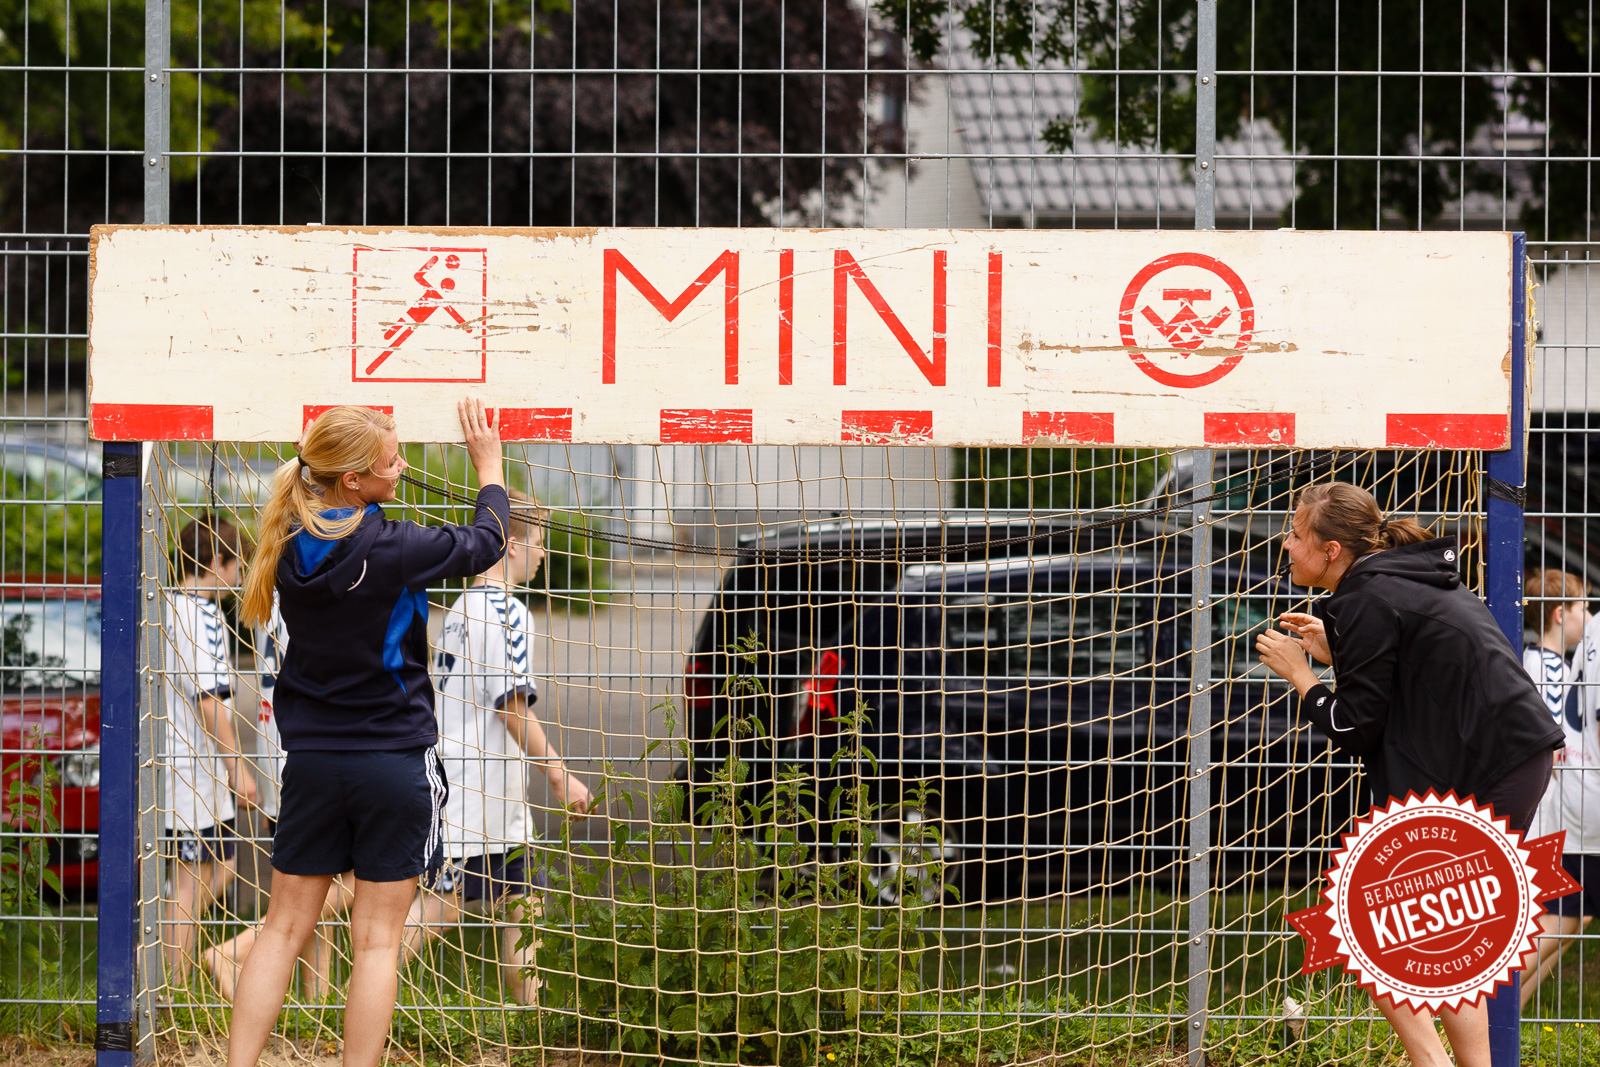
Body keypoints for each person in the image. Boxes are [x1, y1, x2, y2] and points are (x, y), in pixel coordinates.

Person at [224, 400, 509, 1067]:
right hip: (392, 761)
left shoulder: (286, 541)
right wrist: (489, 466)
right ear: (353, 479)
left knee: (281, 929)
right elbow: (488, 542)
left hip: (313, 764)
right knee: (377, 941)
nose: (402, 465)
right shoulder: (395, 546)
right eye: (391, 459)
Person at [1255, 482, 1564, 1067]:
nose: (1286, 545)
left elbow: (1355, 727)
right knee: (1426, 930)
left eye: (1295, 534)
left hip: (1493, 764)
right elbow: (1412, 666)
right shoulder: (1389, 581)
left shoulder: (1368, 597)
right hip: (1503, 758)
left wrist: (1302, 676)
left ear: (1331, 550)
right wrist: (1339, 650)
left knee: (1370, 924)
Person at [402, 491, 593, 1002]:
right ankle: (361, 990)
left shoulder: (462, 606)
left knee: (524, 903)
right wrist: (559, 775)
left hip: (490, 796)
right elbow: (512, 707)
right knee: (443, 907)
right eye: (539, 541)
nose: (544, 553)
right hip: (474, 796)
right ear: (510, 545)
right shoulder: (506, 612)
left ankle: (532, 1019)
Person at [200, 601, 353, 1002]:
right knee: (347, 880)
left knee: (318, 875)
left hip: (280, 751)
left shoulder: (274, 589)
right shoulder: (323, 585)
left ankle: (317, 1003)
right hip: (313, 753)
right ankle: (235, 950)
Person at [164, 518, 259, 985]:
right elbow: (209, 700)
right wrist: (237, 768)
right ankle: (164, 981)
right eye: (238, 565)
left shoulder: (164, 604)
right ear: (217, 562)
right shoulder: (202, 614)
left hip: (171, 765)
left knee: (214, 869)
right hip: (192, 773)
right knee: (198, 875)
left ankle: (162, 971)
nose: (240, 577)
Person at [1521, 570, 1600, 1005]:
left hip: (1559, 808)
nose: (1587, 617)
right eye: (1581, 608)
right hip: (1548, 811)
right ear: (1557, 614)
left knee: (1574, 916)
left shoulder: (1553, 663)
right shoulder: (1547, 668)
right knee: (1562, 916)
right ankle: (1491, 1013)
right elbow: (1550, 747)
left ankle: (1506, 1019)